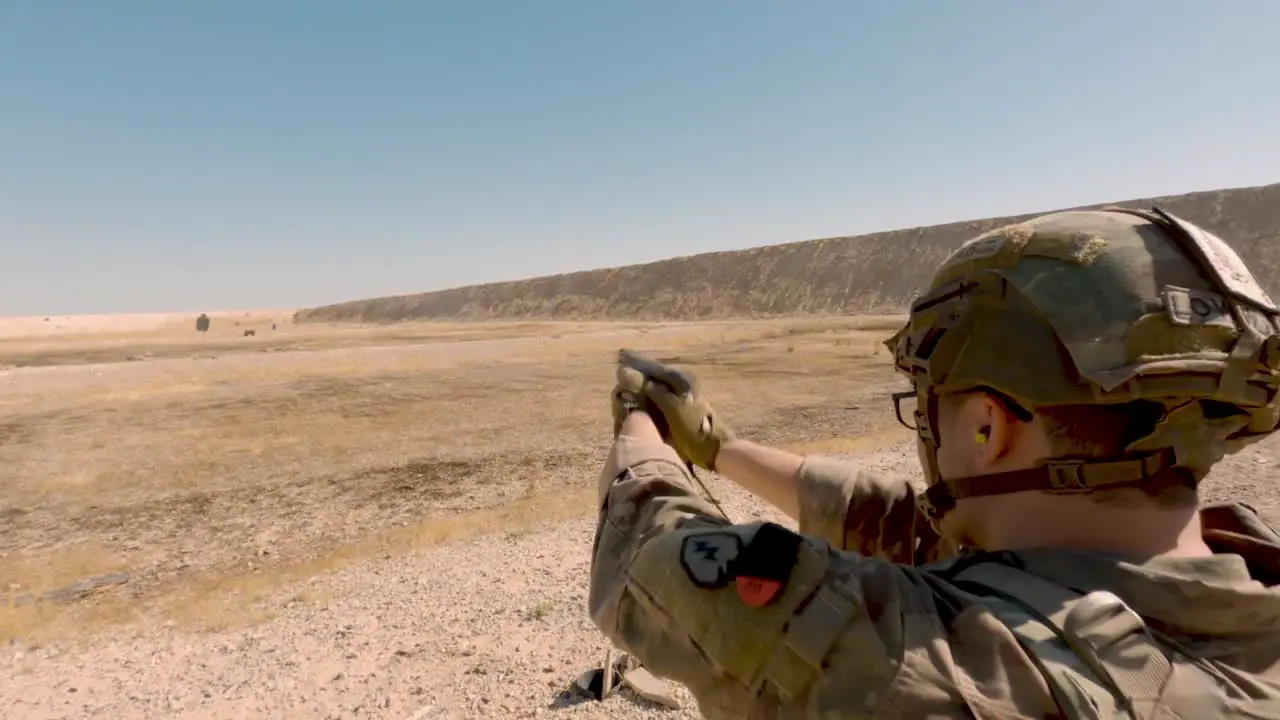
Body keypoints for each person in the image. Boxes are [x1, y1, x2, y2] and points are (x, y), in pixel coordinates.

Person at [588, 206, 1280, 718]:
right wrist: (716, 446)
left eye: (935, 404)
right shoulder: (1240, 599)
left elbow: (655, 560)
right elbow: (916, 531)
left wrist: (640, 432)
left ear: (987, 426)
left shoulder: (940, 673)